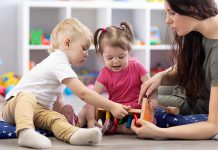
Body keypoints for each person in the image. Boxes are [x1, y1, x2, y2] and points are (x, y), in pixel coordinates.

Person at [2, 18, 129, 149]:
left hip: (39, 110)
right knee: (27, 96)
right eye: (84, 48)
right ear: (67, 43)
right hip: (14, 105)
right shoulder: (57, 61)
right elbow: (84, 94)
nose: (86, 54)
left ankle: (73, 134)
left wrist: (66, 117)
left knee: (56, 118)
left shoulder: (64, 67)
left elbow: (58, 101)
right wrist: (111, 106)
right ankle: (25, 132)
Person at [131, 0, 218, 139]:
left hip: (211, 117)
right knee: (136, 99)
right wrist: (161, 76)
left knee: (156, 116)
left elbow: (213, 126)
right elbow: (189, 65)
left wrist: (158, 133)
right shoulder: (199, 29)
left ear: (193, 9)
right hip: (196, 99)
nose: (167, 20)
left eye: (172, 13)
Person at [85, 22, 158, 134]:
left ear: (128, 52)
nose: (115, 61)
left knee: (152, 123)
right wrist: (90, 121)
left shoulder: (137, 66)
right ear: (101, 55)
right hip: (115, 110)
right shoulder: (105, 73)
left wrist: (153, 98)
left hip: (136, 109)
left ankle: (115, 128)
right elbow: (91, 98)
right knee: (87, 108)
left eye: (121, 56)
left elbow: (151, 84)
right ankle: (114, 126)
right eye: (109, 58)